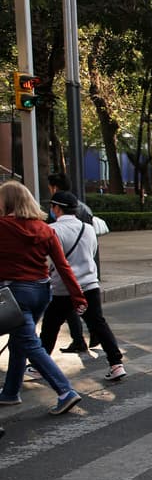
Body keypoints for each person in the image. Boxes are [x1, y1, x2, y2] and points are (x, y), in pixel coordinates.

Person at [0, 180, 86, 415]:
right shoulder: (45, 229)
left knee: (28, 343)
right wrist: (78, 296)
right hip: (42, 291)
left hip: (16, 293)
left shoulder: (3, 227)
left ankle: (65, 391)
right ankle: (10, 392)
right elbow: (63, 266)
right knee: (20, 341)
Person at [39, 191, 127, 381]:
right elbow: (92, 252)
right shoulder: (88, 229)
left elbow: (50, 261)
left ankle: (39, 365)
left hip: (64, 288)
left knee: (50, 325)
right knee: (98, 324)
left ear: (57, 208)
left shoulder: (52, 230)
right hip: (89, 285)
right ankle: (116, 363)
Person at [46, 172, 93, 352]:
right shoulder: (85, 209)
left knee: (55, 318)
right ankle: (86, 339)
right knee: (87, 312)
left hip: (65, 271)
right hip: (85, 269)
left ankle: (39, 363)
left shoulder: (57, 217)